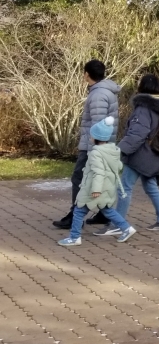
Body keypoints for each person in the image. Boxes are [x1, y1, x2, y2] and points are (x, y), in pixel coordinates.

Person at [54, 59, 120, 230]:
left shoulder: (98, 95)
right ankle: (104, 213)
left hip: (93, 145)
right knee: (102, 179)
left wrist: (94, 151)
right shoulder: (104, 91)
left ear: (86, 74)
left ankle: (75, 215)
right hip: (101, 144)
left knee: (78, 178)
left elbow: (98, 126)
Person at [110, 74, 159, 233]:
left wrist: (119, 149)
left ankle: (119, 225)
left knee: (124, 188)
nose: (137, 84)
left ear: (144, 87)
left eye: (139, 82)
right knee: (151, 186)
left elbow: (137, 134)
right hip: (154, 153)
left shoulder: (143, 108)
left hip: (140, 154)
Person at [57, 116, 135, 245]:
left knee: (78, 211)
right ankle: (127, 228)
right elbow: (118, 167)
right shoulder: (112, 151)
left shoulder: (96, 153)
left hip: (94, 189)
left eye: (91, 135)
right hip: (108, 188)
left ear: (96, 138)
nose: (90, 137)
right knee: (107, 210)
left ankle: (74, 237)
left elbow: (98, 173)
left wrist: (96, 190)